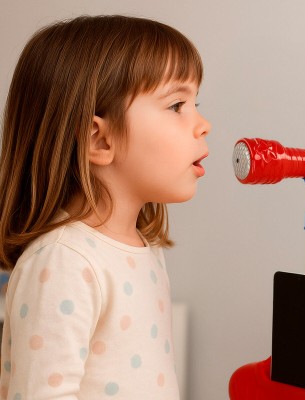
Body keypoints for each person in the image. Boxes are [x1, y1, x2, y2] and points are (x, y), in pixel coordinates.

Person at [0, 14, 211, 399]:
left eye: (196, 103)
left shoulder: (144, 249)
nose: (203, 124)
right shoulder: (64, 262)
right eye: (177, 105)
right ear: (99, 140)